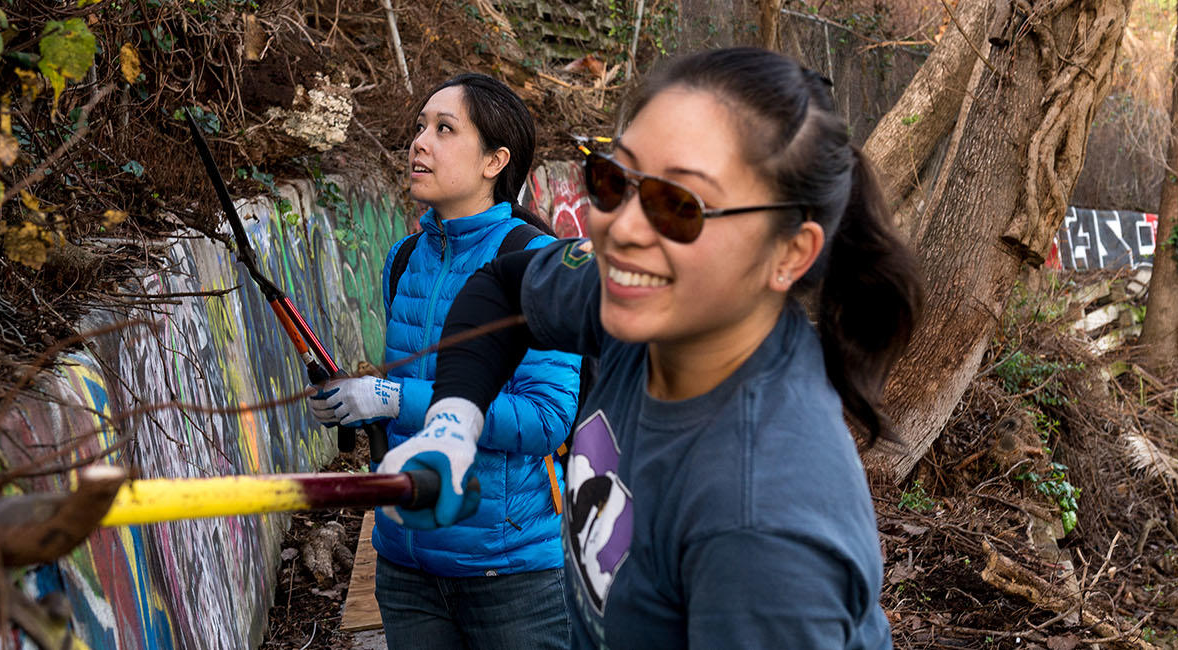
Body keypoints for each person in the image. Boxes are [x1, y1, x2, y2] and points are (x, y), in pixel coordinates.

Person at [378, 48, 923, 648]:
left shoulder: (760, 524)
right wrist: (453, 424)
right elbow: (505, 287)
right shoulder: (646, 300)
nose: (621, 228)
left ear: (789, 253)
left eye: (679, 205)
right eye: (614, 179)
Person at [308, 73, 580, 649]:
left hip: (509, 572)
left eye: (444, 129)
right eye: (419, 127)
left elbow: (546, 419)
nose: (419, 142)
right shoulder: (404, 257)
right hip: (406, 563)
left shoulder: (537, 267)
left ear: (494, 161)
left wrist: (395, 398)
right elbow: (408, 399)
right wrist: (357, 406)